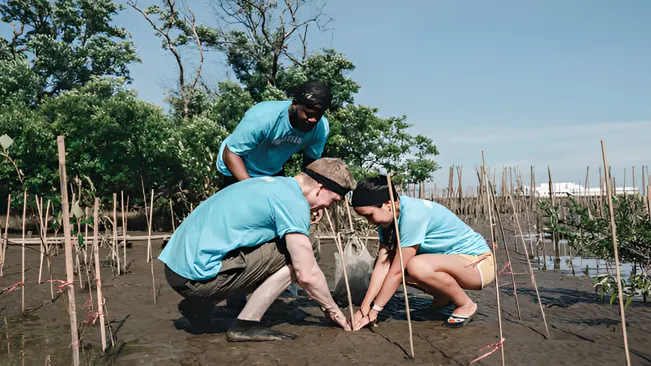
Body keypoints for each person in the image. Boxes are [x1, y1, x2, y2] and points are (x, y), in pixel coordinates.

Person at [158, 158, 356, 341]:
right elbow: (307, 273)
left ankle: (199, 306)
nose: (329, 207)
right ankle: (245, 324)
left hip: (176, 270)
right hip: (194, 279)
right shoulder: (293, 201)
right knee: (306, 249)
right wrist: (333, 310)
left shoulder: (274, 184)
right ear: (320, 187)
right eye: (333, 201)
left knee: (289, 245)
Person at [215, 80, 332, 308]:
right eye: (308, 113)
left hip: (272, 172)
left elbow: (311, 167)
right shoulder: (263, 116)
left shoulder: (319, 128)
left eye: (319, 114)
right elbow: (232, 153)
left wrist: (311, 202)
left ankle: (281, 290)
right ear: (295, 104)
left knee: (281, 230)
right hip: (237, 167)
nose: (313, 120)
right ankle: (232, 292)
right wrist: (252, 191)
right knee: (239, 231)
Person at [348, 176, 496, 330]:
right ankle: (443, 300)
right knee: (395, 265)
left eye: (369, 216)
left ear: (388, 204)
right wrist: (365, 307)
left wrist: (376, 309)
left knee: (415, 265)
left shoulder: (413, 215)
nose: (369, 222)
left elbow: (396, 272)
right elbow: (382, 266)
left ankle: (466, 305)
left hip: (478, 266)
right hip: (451, 262)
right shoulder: (386, 221)